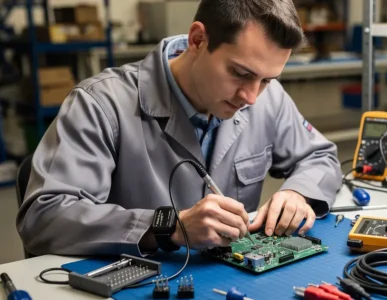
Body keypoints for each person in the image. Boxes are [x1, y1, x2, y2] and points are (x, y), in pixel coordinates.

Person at [16, 0, 341, 256]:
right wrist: (167, 227)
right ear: (198, 40)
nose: (252, 97)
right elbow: (44, 218)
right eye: (240, 73)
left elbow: (321, 157)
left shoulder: (266, 99)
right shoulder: (101, 104)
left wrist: (298, 193)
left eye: (267, 80)